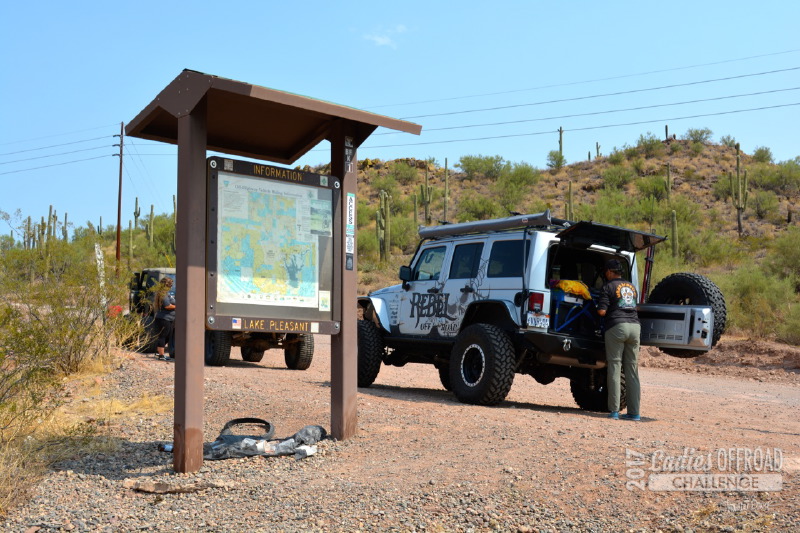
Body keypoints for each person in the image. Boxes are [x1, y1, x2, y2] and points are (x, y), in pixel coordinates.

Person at [596, 258, 641, 421]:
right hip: (635, 328)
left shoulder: (608, 286)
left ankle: (614, 411)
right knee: (632, 370)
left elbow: (602, 311)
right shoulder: (631, 287)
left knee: (615, 367)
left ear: (609, 272)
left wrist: (598, 308)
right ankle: (634, 413)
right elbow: (634, 307)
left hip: (617, 327)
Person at [152, 277, 176, 360]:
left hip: (168, 319)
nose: (171, 286)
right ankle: (161, 355)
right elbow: (167, 305)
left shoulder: (166, 294)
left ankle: (159, 352)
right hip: (164, 319)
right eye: (170, 284)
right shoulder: (163, 294)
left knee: (167, 336)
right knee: (163, 336)